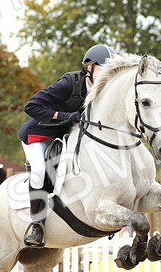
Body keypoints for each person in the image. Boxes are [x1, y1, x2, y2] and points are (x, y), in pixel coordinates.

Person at [17, 43, 113, 247]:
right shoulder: (69, 83)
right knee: (40, 171)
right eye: (103, 69)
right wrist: (64, 116)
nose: (107, 75)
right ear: (89, 67)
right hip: (40, 134)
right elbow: (31, 106)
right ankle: (37, 225)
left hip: (66, 135)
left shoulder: (101, 92)